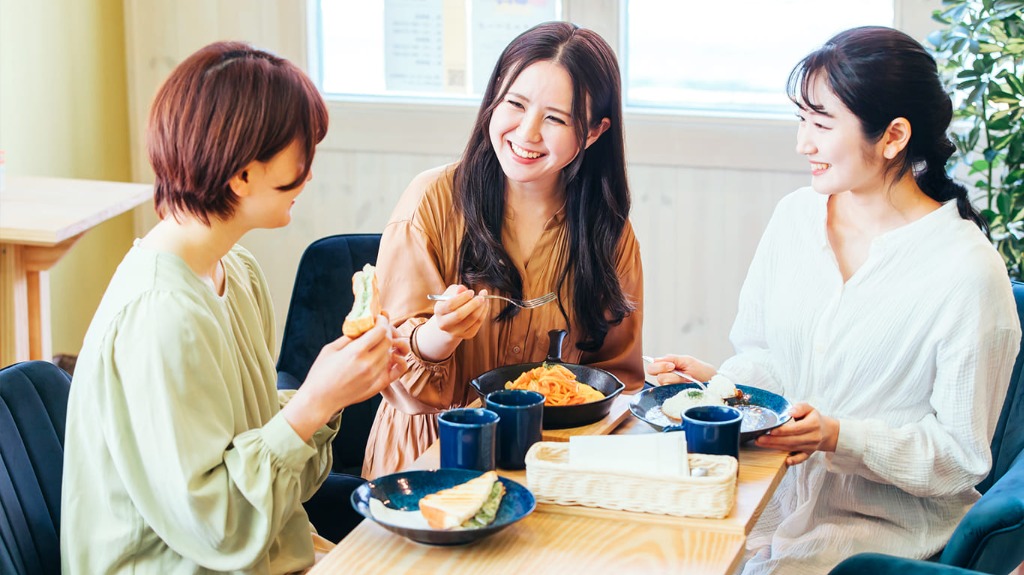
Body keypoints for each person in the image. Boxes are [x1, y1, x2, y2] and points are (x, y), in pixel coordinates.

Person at [646, 26, 1020, 574]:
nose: (803, 143)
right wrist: (719, 388)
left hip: (878, 540)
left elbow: (960, 456)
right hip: (766, 502)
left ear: (893, 136)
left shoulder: (966, 271)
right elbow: (768, 354)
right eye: (802, 119)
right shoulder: (795, 217)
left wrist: (840, 436)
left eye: (821, 123)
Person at [61, 42, 408, 573]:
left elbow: (266, 470)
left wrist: (334, 392)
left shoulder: (235, 270)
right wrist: (316, 400)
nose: (309, 172)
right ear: (241, 174)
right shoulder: (162, 314)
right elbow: (217, 528)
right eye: (301, 155)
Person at [363, 21, 645, 479]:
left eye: (555, 118)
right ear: (494, 98)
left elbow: (615, 378)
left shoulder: (608, 232)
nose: (527, 133)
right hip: (430, 455)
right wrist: (439, 335)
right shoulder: (430, 200)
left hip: (546, 463)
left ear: (593, 132)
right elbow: (391, 369)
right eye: (515, 103)